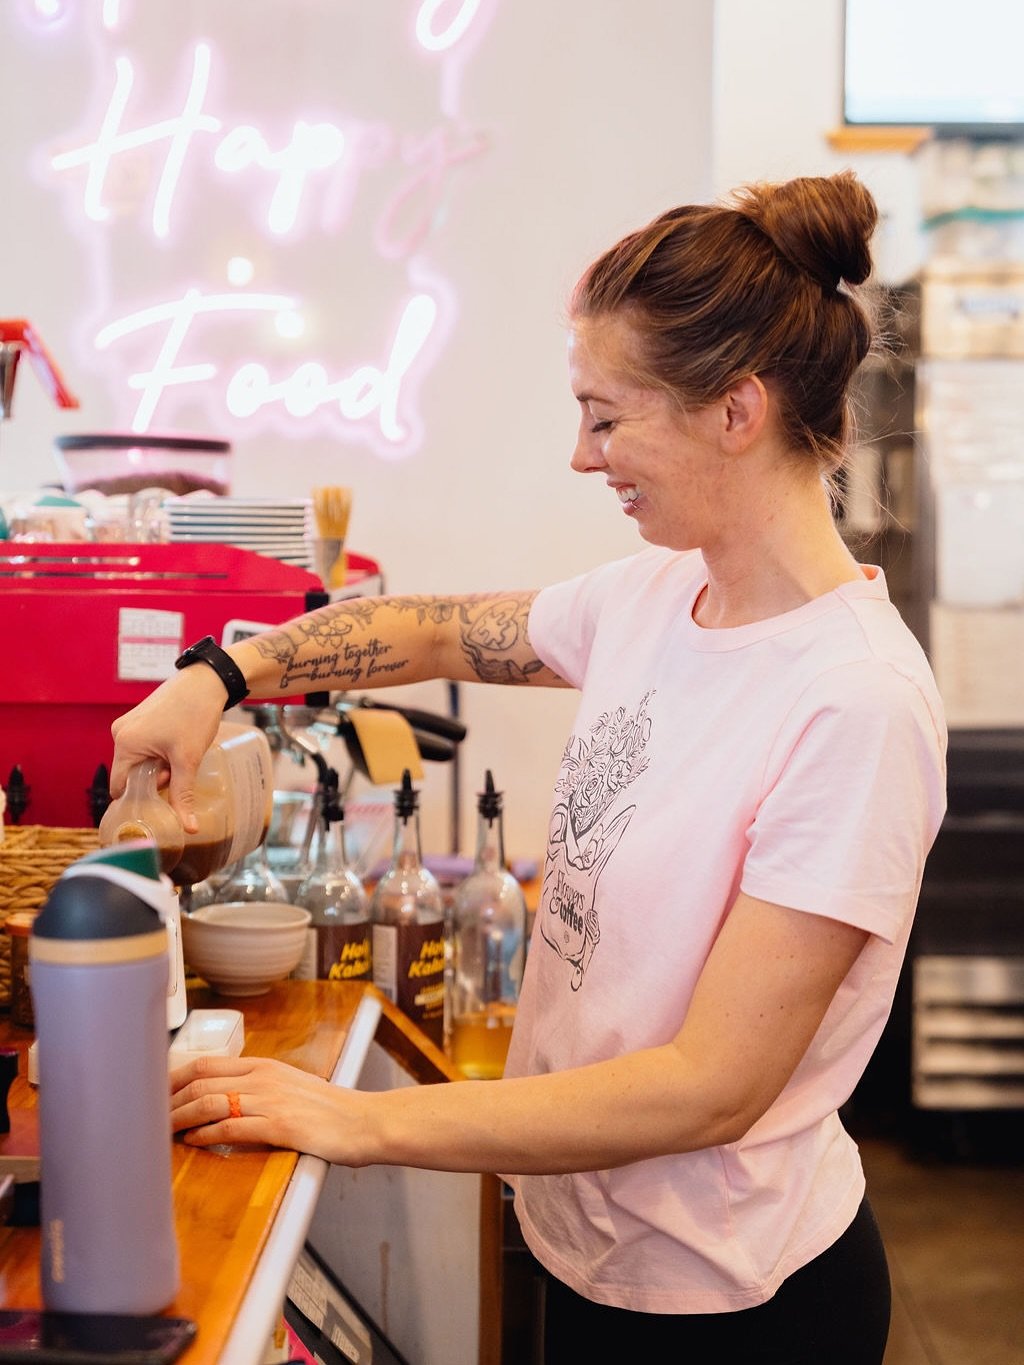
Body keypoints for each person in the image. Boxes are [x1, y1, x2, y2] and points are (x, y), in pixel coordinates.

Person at [110, 170, 946, 1364]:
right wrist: (218, 676)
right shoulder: (659, 596)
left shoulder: (853, 704)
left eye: (608, 417)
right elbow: (437, 628)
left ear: (736, 410)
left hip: (732, 1303)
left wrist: (363, 1122)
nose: (580, 454)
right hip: (591, 1241)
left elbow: (709, 1087)